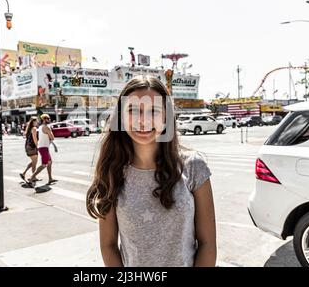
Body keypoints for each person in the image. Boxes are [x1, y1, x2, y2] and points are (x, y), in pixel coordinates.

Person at [86, 75, 217, 267]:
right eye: (133, 110)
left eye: (153, 111)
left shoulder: (194, 166)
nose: (143, 120)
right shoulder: (112, 171)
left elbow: (207, 244)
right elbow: (108, 245)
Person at [27, 114, 57, 187]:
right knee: (44, 164)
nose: (49, 119)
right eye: (47, 118)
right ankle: (31, 178)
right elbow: (52, 137)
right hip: (44, 148)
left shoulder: (40, 127)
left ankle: (50, 178)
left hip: (43, 147)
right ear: (44, 120)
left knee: (49, 162)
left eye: (49, 118)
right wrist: (50, 134)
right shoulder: (46, 127)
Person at [20, 116, 39, 185]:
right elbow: (35, 139)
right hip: (32, 147)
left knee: (33, 162)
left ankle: (24, 173)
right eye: (37, 121)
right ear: (33, 122)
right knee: (34, 162)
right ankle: (33, 177)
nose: (38, 122)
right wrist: (38, 146)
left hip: (28, 146)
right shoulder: (34, 128)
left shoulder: (28, 128)